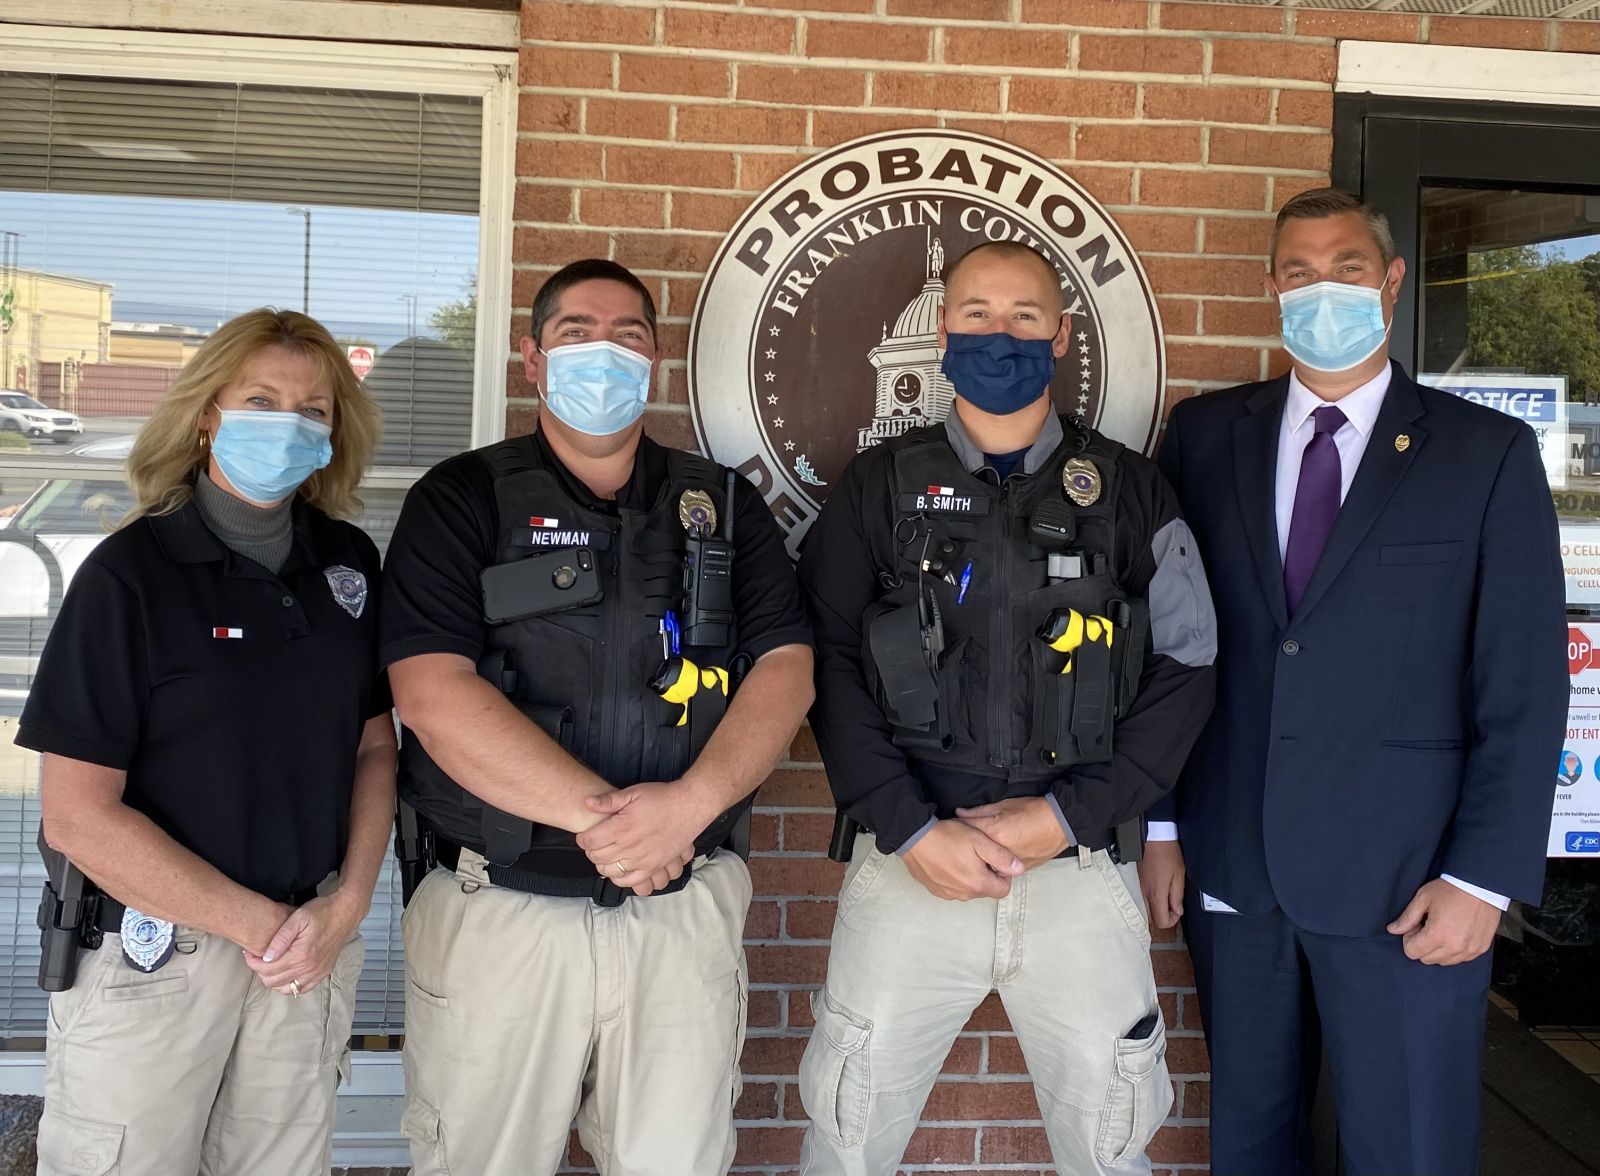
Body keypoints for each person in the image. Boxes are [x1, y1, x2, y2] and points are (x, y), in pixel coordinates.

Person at [1143, 187, 1568, 1176]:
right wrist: (1162, 825)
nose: (1319, 289)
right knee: (1249, 1141)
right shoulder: (1204, 437)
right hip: (1235, 864)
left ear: (1388, 281)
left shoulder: (1484, 453)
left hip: (1409, 882)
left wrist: (1482, 878)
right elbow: (1167, 643)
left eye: (1343, 268)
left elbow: (1521, 683)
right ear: (1270, 290)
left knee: (1406, 1147)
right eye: (1297, 272)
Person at [383, 258, 814, 1176]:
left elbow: (787, 669)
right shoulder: (461, 500)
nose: (603, 353)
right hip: (499, 908)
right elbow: (430, 693)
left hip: (679, 909)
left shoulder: (725, 505)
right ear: (532, 359)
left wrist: (685, 811)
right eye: (576, 334)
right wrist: (613, 825)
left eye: (627, 337)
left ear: (654, 359)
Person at [796, 240, 1218, 1175]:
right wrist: (907, 826)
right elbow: (823, 660)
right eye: (978, 314)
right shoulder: (877, 485)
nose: (1001, 333)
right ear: (942, 332)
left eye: (1026, 315)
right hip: (911, 868)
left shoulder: (1133, 489)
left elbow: (1191, 663)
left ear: (1063, 335)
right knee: (847, 1139)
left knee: (1112, 1146)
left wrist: (1071, 815)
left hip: (1080, 874)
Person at [21, 308, 395, 1175]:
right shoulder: (130, 575)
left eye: (314, 408)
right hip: (157, 956)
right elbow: (79, 816)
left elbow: (375, 749)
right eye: (261, 398)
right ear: (206, 414)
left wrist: (343, 910)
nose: (290, 423)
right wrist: (255, 924)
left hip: (305, 948)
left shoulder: (346, 565)